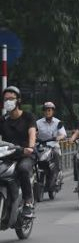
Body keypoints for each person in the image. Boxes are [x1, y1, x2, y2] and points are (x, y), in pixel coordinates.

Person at [0, 86, 36, 218]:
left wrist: (30, 147)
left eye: (11, 99)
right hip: (6, 155)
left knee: (23, 169)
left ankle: (28, 202)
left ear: (18, 100)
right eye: (5, 100)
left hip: (25, 154)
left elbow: (32, 133)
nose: (8, 102)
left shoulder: (28, 117)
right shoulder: (3, 120)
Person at [35, 102, 67, 191]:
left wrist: (58, 137)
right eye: (46, 110)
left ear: (53, 111)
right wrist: (34, 136)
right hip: (41, 146)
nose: (47, 112)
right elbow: (34, 133)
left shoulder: (58, 122)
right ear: (43, 112)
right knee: (33, 157)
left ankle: (56, 177)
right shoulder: (38, 123)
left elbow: (63, 134)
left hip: (53, 146)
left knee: (56, 154)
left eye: (49, 110)